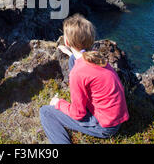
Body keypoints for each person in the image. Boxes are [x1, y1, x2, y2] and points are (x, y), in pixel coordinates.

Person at [39, 14, 129, 144]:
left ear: (67, 42)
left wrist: (57, 103)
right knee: (72, 59)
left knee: (46, 112)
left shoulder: (78, 72)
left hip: (104, 126)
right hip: (115, 117)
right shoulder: (98, 58)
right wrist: (70, 53)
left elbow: (78, 114)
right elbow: (79, 59)